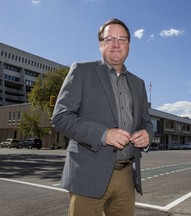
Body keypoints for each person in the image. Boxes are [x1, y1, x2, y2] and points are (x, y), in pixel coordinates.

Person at [51, 18, 153, 216]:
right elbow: (61, 117)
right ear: (101, 44)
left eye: (122, 39)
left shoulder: (138, 84)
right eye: (110, 38)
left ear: (129, 45)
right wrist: (103, 134)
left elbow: (146, 122)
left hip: (126, 176)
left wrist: (147, 135)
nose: (116, 44)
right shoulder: (81, 71)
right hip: (87, 174)